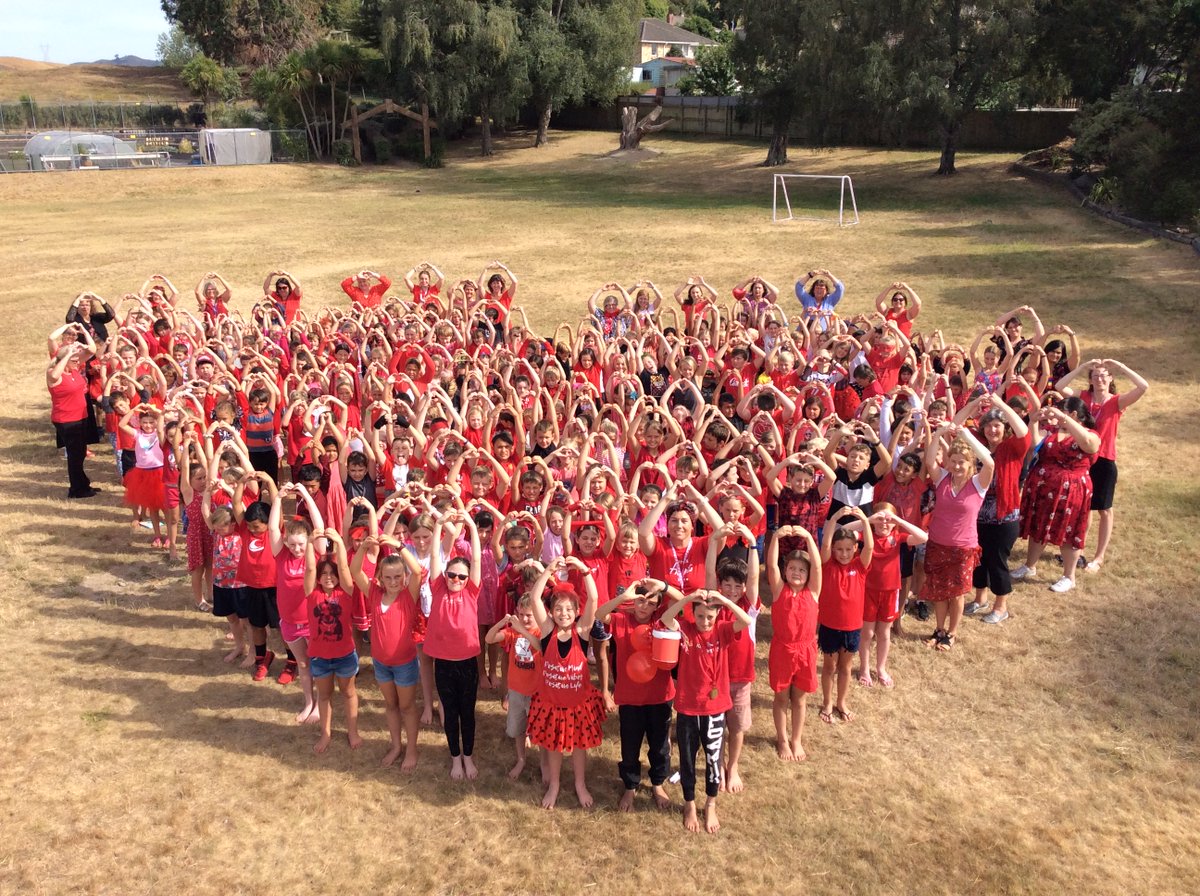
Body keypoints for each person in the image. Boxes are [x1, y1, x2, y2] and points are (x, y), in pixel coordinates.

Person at [660, 588, 753, 834]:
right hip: (688, 708)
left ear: (717, 617)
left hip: (714, 709)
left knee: (713, 759)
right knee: (687, 759)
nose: (705, 622)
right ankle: (689, 804)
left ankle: (711, 804)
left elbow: (745, 620)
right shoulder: (686, 629)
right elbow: (666, 620)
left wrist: (722, 601)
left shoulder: (723, 630)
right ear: (693, 615)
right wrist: (689, 599)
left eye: (710, 617)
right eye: (700, 616)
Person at [518, 557, 606, 810]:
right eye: (558, 609)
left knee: (579, 746)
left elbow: (595, 599)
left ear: (577, 612)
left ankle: (580, 783)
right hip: (552, 704)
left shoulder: (583, 631)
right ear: (551, 611)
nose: (563, 614)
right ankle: (554, 784)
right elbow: (535, 599)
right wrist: (547, 570)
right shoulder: (547, 631)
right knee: (553, 745)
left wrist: (584, 570)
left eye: (569, 610)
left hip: (578, 704)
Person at [1057, 358, 1148, 574]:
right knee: (1083, 508)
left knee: (1104, 509)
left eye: (1104, 375)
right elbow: (1060, 387)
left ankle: (1099, 557)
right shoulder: (1084, 397)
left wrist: (1120, 366)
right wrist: (1081, 367)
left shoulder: (1117, 401)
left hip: (1105, 459)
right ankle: (1079, 550)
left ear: (1110, 378)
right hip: (1082, 458)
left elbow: (1143, 386)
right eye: (1095, 375)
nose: (1099, 379)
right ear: (1090, 379)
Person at [596, 578, 680, 812]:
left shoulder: (663, 622)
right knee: (630, 746)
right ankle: (630, 786)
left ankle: (657, 783)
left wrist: (662, 586)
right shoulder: (622, 619)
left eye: (650, 602)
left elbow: (683, 601)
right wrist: (623, 598)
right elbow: (599, 614)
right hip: (630, 697)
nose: (644, 606)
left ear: (657, 606)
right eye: (640, 601)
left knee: (660, 746)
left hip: (660, 697)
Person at [352, 536, 424, 770]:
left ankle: (411, 749)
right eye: (388, 577)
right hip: (381, 663)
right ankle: (396, 745)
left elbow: (417, 571)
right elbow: (355, 572)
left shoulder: (408, 596)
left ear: (403, 578)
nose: (393, 581)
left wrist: (399, 546)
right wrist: (363, 547)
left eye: (397, 577)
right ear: (380, 579)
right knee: (390, 705)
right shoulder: (374, 593)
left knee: (407, 707)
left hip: (404, 663)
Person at [1013, 398, 1100, 593]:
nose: (1055, 416)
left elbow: (1089, 445)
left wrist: (1063, 418)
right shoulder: (1053, 432)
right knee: (1038, 526)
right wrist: (1034, 421)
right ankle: (1030, 565)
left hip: (1071, 491)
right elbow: (1034, 444)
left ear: (1074, 414)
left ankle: (1069, 576)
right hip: (1043, 488)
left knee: (1069, 531)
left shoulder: (1091, 434)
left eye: (1061, 412)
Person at [920, 424, 995, 649]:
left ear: (971, 464)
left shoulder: (978, 484)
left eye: (962, 461)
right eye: (953, 461)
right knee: (938, 590)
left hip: (963, 547)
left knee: (956, 593)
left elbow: (990, 462)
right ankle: (939, 628)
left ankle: (952, 633)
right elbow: (929, 461)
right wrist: (939, 435)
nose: (957, 465)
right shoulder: (943, 478)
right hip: (937, 543)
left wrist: (967, 437)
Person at [423, 510, 483, 780]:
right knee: (449, 714)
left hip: (468, 663)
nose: (456, 580)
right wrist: (438, 526)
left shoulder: (471, 591)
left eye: (461, 576)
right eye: (452, 575)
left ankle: (468, 757)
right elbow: (435, 556)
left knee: (467, 714)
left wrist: (470, 524)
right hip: (444, 664)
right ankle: (455, 759)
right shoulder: (438, 588)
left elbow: (478, 558)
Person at [959, 397, 1030, 624]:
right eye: (988, 425)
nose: (992, 429)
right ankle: (980, 598)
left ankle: (1001, 606)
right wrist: (974, 404)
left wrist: (1001, 405)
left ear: (1005, 428)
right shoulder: (977, 445)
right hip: (977, 514)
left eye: (997, 425)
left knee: (997, 560)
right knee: (978, 558)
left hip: (1004, 514)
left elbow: (1023, 431)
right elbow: (957, 425)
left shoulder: (1013, 447)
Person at [765, 526, 822, 761]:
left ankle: (796, 739)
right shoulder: (779, 590)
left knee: (799, 698)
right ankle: (782, 738)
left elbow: (818, 566)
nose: (796, 572)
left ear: (808, 574)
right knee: (781, 697)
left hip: (806, 650)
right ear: (785, 570)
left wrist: (808, 537)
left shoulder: (814, 592)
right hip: (783, 650)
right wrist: (777, 537)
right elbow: (770, 566)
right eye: (791, 568)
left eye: (801, 569)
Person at [305, 529, 362, 754]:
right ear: (318, 577)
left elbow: (346, 569)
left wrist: (338, 542)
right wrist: (310, 542)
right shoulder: (312, 594)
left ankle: (353, 730)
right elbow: (310, 567)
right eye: (324, 573)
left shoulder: (345, 592)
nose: (328, 577)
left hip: (345, 654)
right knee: (325, 694)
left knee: (349, 693)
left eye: (332, 572)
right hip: (320, 656)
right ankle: (326, 733)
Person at [818, 507, 873, 723]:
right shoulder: (827, 564)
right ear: (833, 549)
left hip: (852, 627)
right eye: (839, 549)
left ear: (855, 549)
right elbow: (824, 542)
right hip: (830, 625)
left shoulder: (860, 566)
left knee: (846, 666)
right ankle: (826, 702)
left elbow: (870, 545)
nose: (843, 553)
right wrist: (835, 517)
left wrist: (865, 521)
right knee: (830, 666)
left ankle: (841, 701)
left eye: (848, 549)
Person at [484, 594, 544, 781]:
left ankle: (545, 764)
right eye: (522, 614)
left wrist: (522, 630)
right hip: (516, 692)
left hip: (537, 693)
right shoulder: (512, 633)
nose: (525, 619)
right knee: (517, 729)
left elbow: (540, 646)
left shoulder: (541, 633)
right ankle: (521, 759)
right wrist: (504, 621)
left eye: (530, 615)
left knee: (541, 732)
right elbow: (489, 638)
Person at [47, 343, 100, 498]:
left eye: (77, 360)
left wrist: (79, 344)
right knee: (75, 455)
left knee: (80, 453)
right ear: (65, 359)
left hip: (81, 417)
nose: (78, 363)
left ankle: (83, 483)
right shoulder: (53, 373)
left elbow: (91, 351)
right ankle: (77, 489)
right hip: (67, 420)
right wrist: (68, 355)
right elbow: (55, 376)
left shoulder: (74, 370)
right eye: (74, 360)